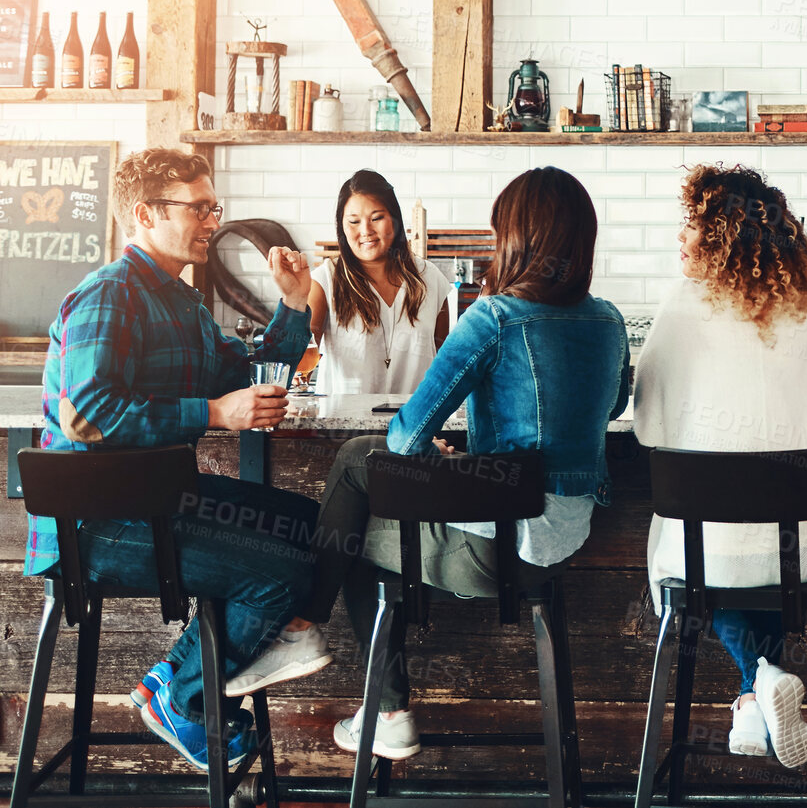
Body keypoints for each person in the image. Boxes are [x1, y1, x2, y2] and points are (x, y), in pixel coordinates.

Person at [232, 167, 629, 760]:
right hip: (561, 547)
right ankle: (345, 671)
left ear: (513, 238)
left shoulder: (493, 317)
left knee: (357, 489)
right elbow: (615, 404)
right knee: (364, 495)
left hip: (493, 549)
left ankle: (345, 668)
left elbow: (405, 435)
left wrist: (432, 455)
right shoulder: (610, 321)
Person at [27, 147, 323, 770]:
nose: (212, 219)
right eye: (199, 208)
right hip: (95, 523)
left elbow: (244, 370)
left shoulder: (181, 300)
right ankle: (185, 702)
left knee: (311, 526)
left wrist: (293, 304)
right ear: (145, 213)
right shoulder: (109, 293)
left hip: (157, 503)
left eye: (214, 206)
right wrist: (216, 414)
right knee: (274, 570)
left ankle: (172, 676)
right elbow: (90, 413)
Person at [634, 164, 807, 769]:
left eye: (693, 226)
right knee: (753, 553)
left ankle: (759, 679)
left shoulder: (683, 305)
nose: (680, 240)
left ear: (722, 237)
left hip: (706, 547)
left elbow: (649, 428)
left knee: (716, 558)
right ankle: (759, 687)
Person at [307, 170, 450, 394]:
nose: (366, 231)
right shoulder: (325, 281)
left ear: (394, 218)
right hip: (342, 425)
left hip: (416, 424)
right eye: (354, 221)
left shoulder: (431, 280)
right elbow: (299, 358)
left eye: (376, 218)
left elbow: (444, 364)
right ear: (342, 227)